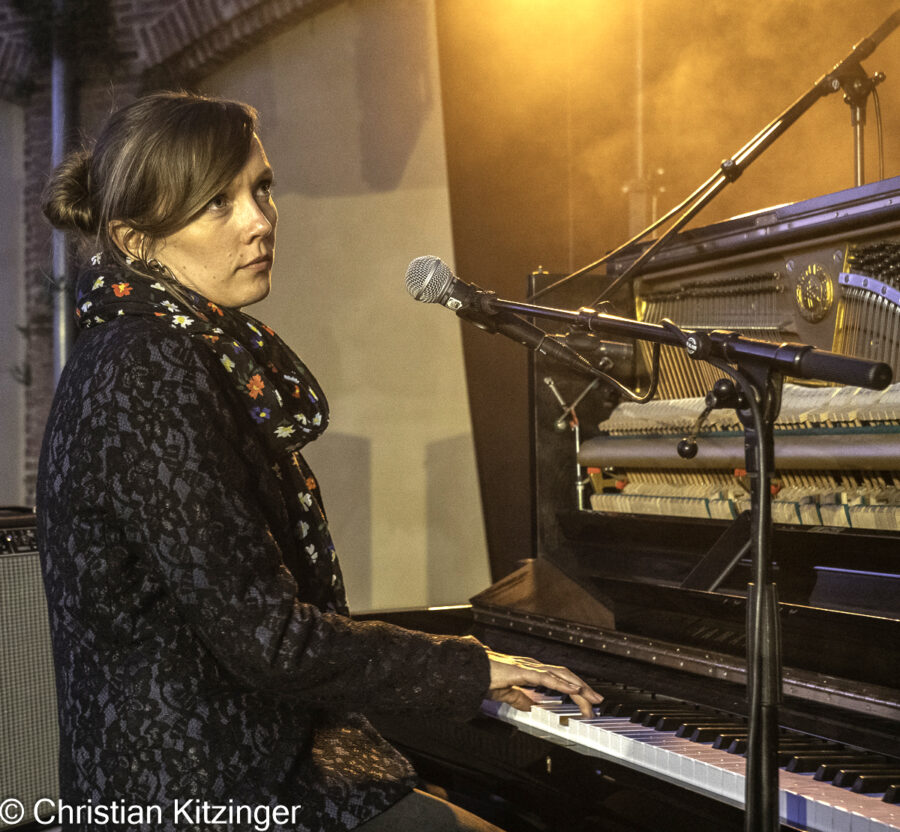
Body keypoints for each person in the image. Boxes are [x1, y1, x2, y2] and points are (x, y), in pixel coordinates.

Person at [37, 90, 602, 832]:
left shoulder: (155, 349)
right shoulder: (148, 366)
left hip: (219, 765)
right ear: (136, 240)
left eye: (260, 188)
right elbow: (270, 638)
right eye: (216, 204)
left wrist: (451, 666)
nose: (260, 220)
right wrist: (466, 668)